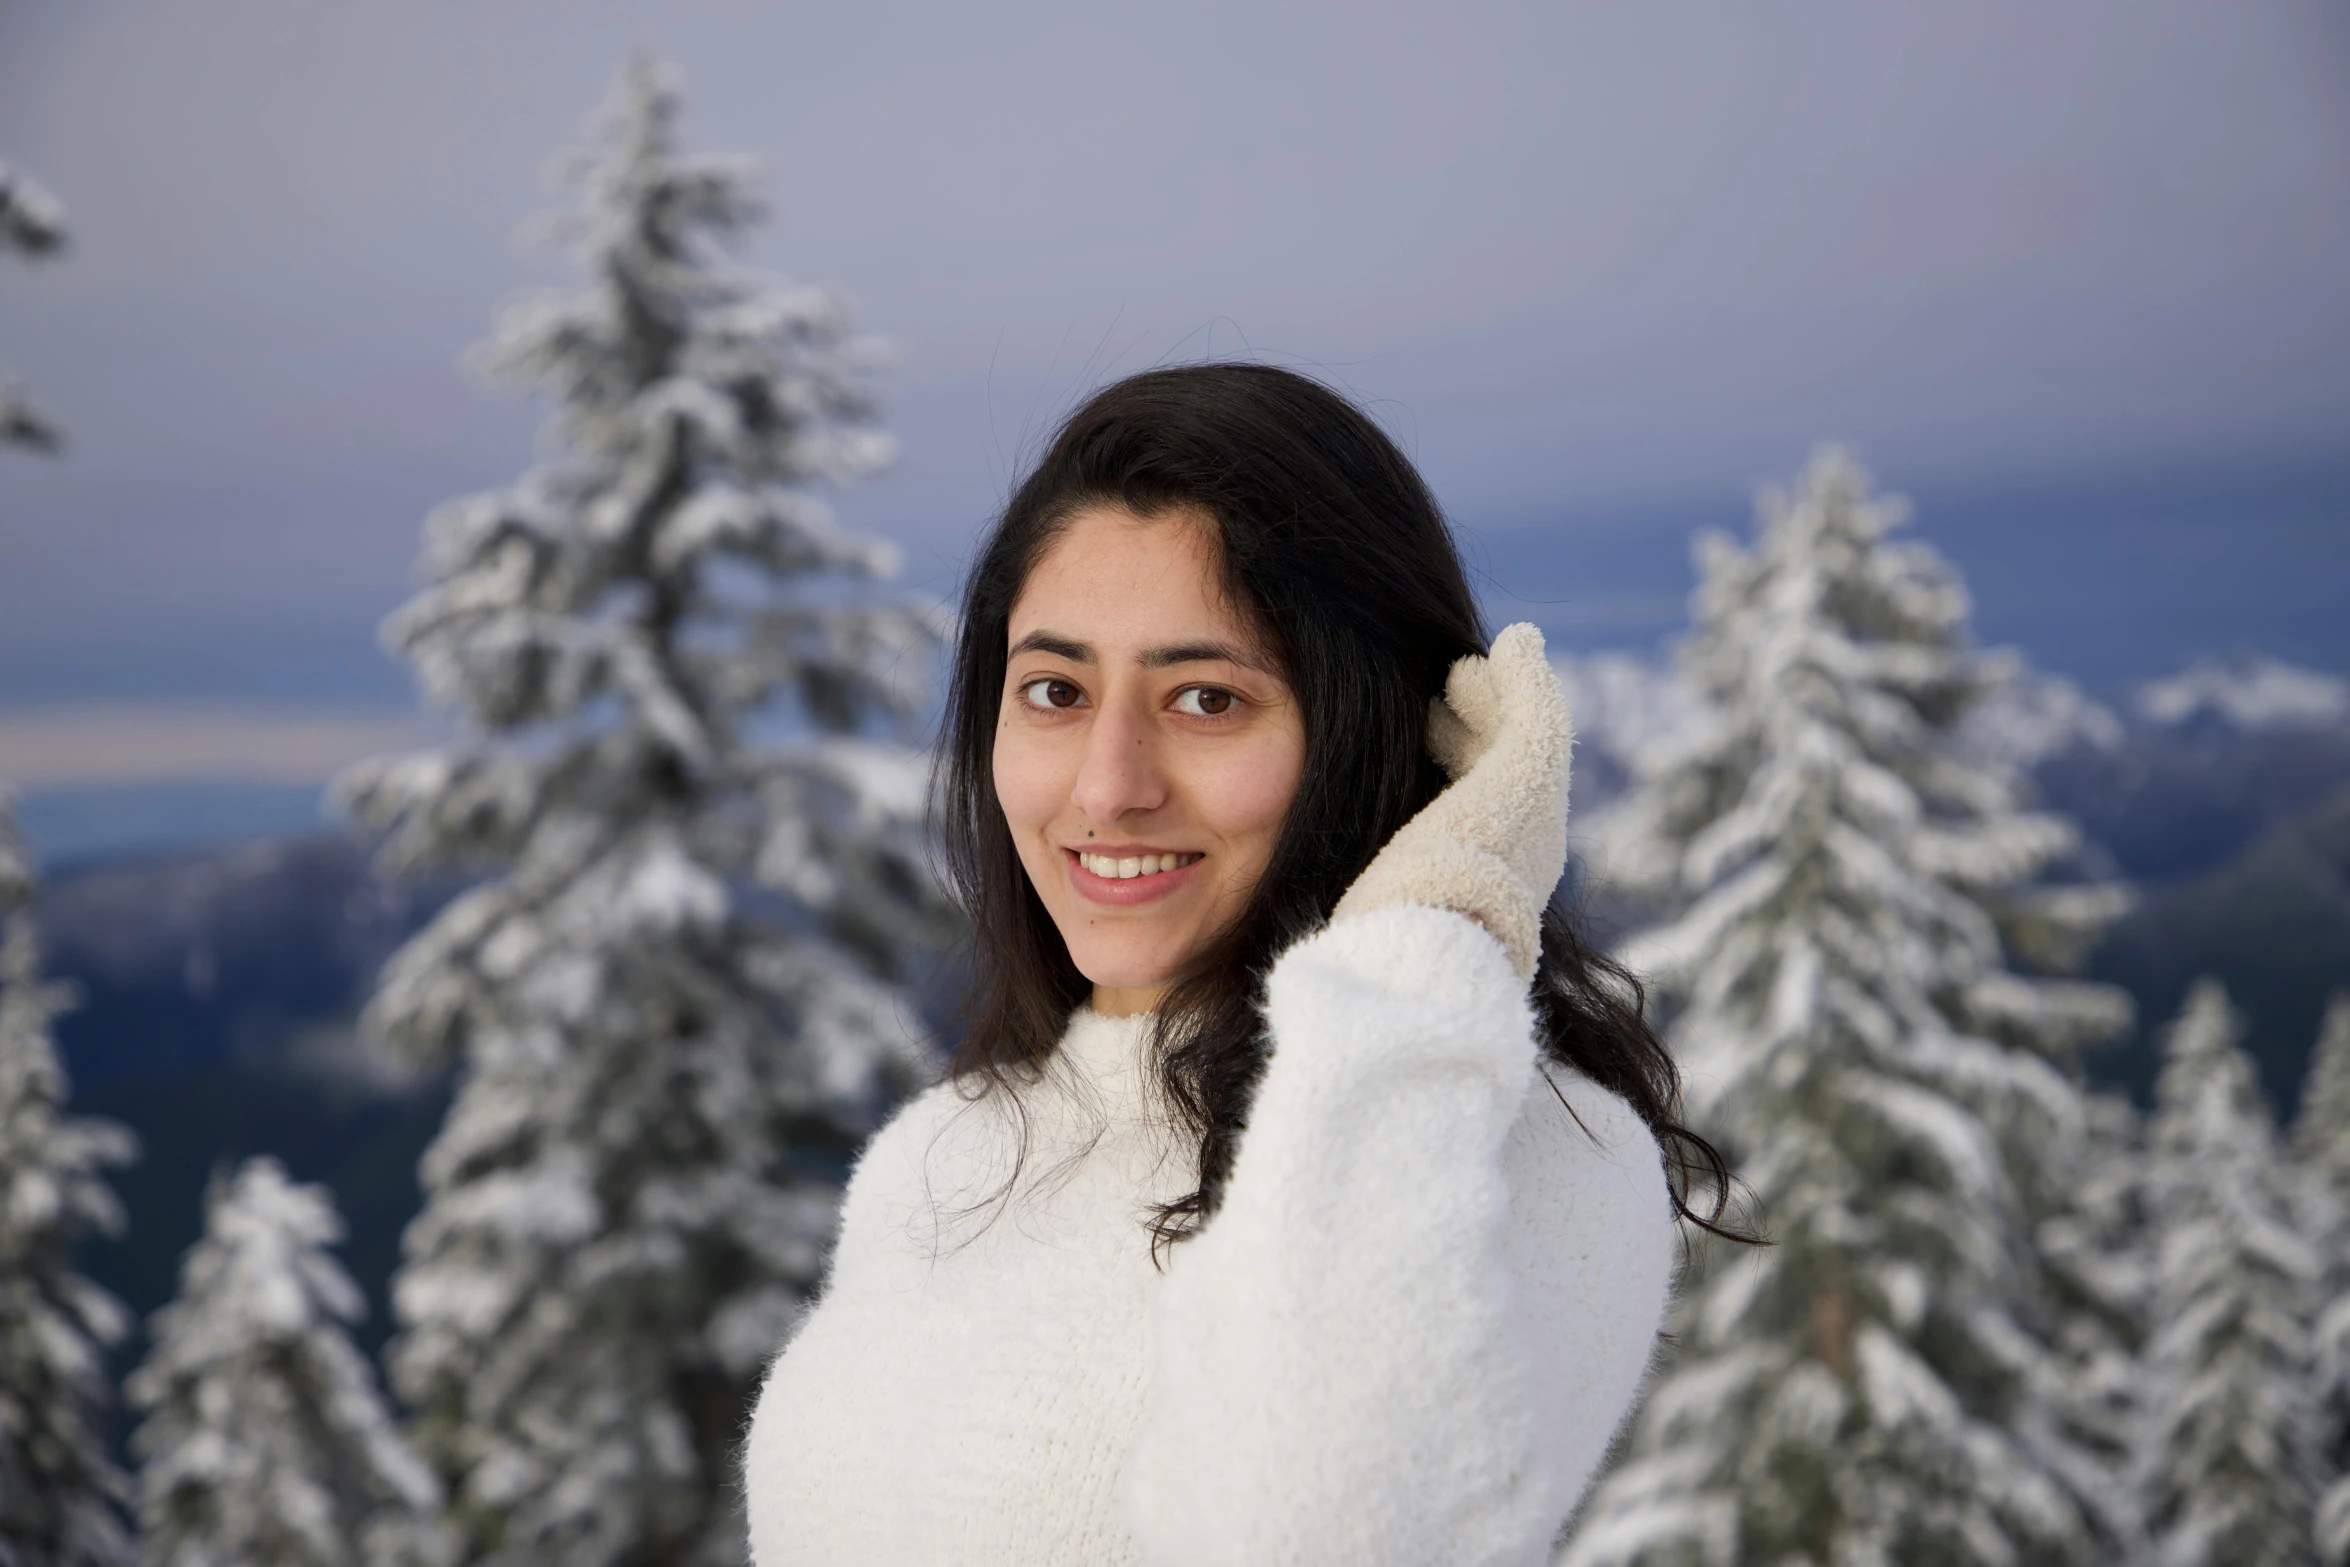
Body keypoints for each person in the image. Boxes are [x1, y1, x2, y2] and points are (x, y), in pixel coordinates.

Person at [741, 362, 1729, 1565]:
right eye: (1053, 690)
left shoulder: (1520, 1153)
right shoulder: (945, 1150)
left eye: (1206, 699)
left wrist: (1429, 935)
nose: (1108, 786)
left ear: (1365, 733)